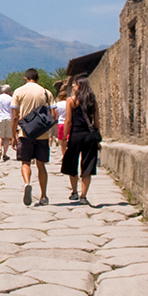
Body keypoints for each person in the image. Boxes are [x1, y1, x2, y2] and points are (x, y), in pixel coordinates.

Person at [10, 68, 54, 205]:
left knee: (25, 162)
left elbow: (15, 117)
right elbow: (54, 115)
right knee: (41, 165)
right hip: (42, 134)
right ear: (38, 78)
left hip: (25, 133)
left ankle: (27, 182)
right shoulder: (46, 93)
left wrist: (13, 135)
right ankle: (43, 196)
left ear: (25, 78)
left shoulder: (18, 92)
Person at [61, 74, 102, 204]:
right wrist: (97, 136)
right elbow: (96, 120)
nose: (73, 86)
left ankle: (74, 192)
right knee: (88, 165)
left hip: (76, 135)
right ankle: (83, 196)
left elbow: (68, 120)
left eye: (74, 84)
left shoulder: (71, 101)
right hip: (89, 136)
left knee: (72, 162)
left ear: (79, 86)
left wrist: (64, 137)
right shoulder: (92, 101)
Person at [0, 85, 15, 160]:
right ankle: (4, 154)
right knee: (7, 138)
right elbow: (13, 110)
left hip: (0, 118)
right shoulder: (11, 99)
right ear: (8, 91)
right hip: (9, 118)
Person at [51, 80, 70, 163]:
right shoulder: (69, 103)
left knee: (62, 141)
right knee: (69, 140)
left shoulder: (57, 105)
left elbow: (55, 116)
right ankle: (69, 155)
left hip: (60, 123)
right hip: (69, 123)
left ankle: (64, 156)